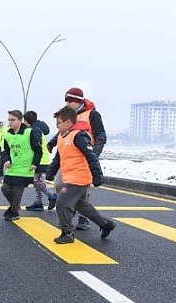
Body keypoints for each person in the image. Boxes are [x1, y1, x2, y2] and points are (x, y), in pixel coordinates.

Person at [46, 106, 115, 244]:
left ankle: (67, 232)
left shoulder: (79, 136)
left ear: (68, 123)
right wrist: (51, 172)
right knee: (81, 206)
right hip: (69, 176)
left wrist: (97, 176)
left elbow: (91, 156)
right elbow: (58, 158)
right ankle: (106, 224)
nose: (57, 126)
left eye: (59, 123)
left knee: (62, 202)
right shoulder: (61, 137)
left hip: (79, 178)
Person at [47, 87, 107, 230]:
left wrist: (94, 155)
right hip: (69, 157)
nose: (67, 104)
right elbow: (62, 132)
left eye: (70, 101)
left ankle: (82, 219)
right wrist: (52, 142)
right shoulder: (68, 115)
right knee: (59, 185)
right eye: (66, 101)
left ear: (78, 101)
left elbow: (101, 136)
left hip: (85, 157)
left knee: (82, 193)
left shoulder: (92, 114)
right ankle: (74, 210)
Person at [0, 110, 42, 221]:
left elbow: (38, 150)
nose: (10, 122)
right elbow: (5, 151)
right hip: (12, 168)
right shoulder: (7, 134)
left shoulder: (29, 132)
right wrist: (6, 160)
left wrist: (34, 164)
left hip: (25, 169)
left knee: (17, 191)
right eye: (9, 120)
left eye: (13, 120)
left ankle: (14, 213)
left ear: (20, 120)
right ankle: (15, 208)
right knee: (5, 189)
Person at [23, 110, 58, 212]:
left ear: (26, 121)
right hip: (40, 158)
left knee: (36, 180)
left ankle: (51, 195)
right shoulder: (37, 128)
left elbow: (35, 146)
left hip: (40, 159)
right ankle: (38, 202)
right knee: (36, 181)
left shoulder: (34, 130)